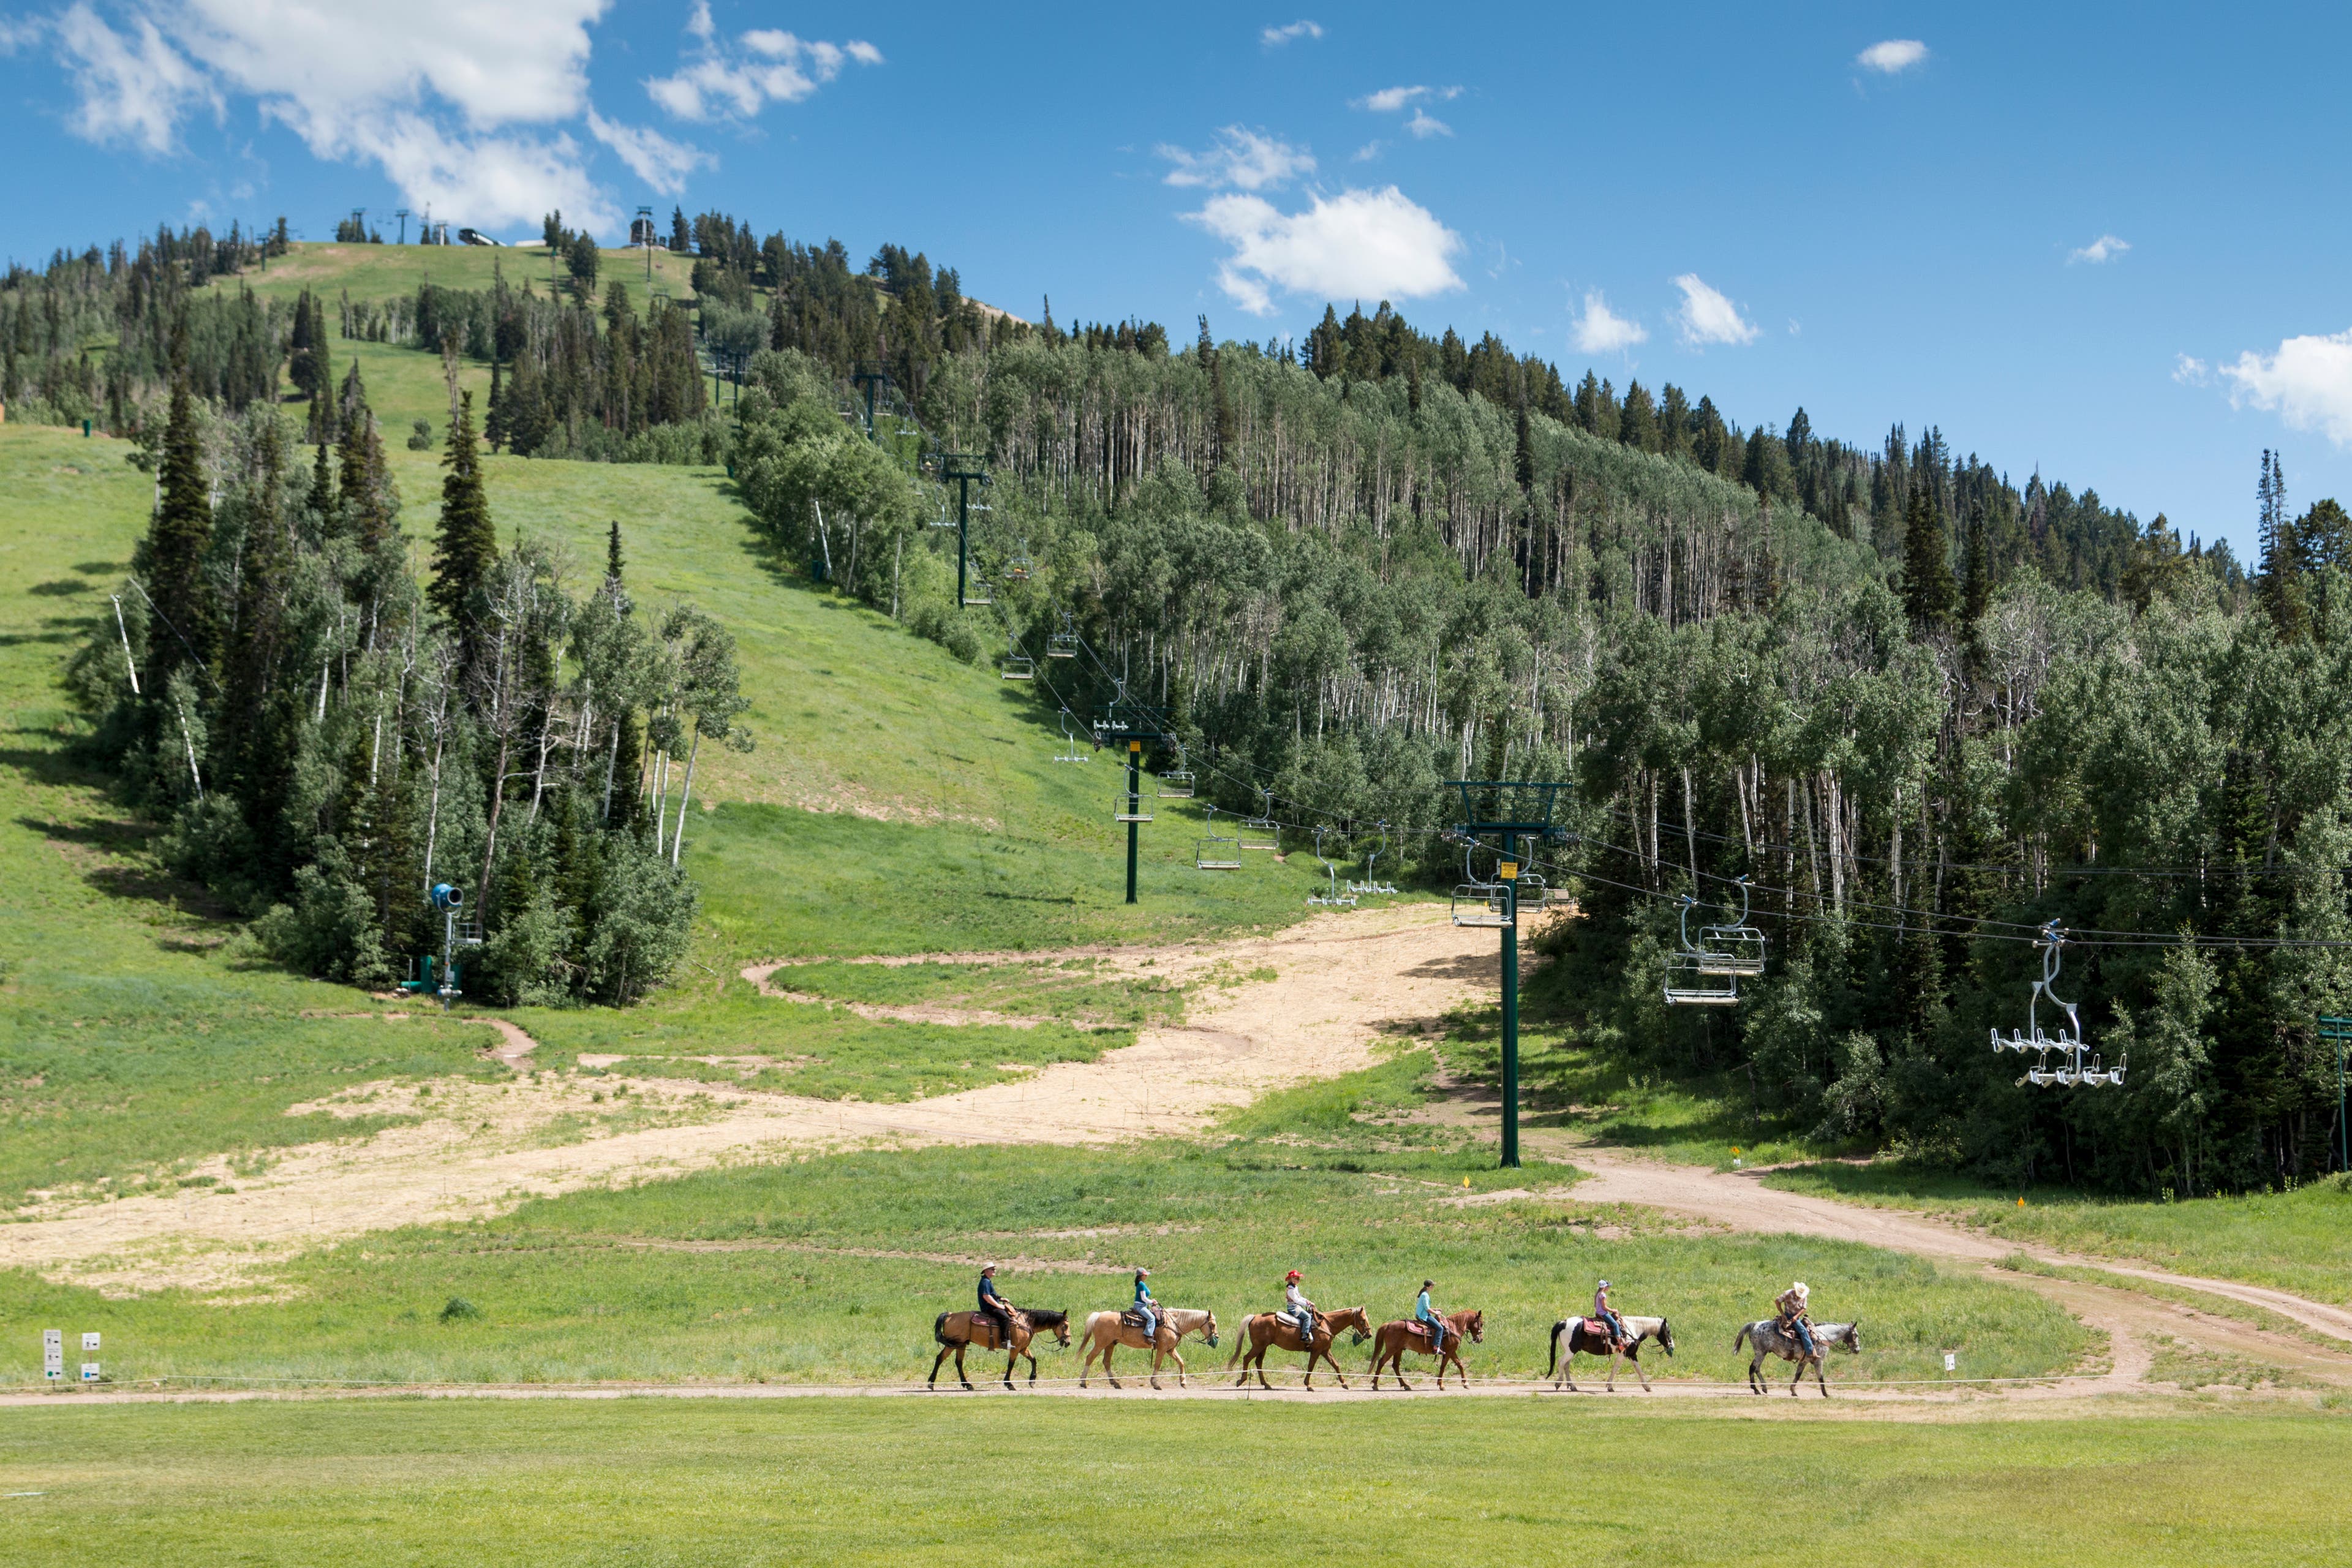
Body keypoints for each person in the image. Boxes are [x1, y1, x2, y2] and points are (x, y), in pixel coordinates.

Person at [977, 1264, 1016, 1348]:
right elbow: (986, 1296)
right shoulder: (985, 1282)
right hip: (989, 1308)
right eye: (993, 1269)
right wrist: (998, 1306)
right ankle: (1004, 1342)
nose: (995, 1270)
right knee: (1005, 1318)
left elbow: (993, 1295)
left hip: (991, 1306)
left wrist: (1002, 1299)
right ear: (986, 1271)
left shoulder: (987, 1281)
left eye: (995, 1269)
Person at [1776, 1280, 1815, 1360]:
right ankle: (1810, 1351)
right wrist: (1783, 1314)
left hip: (1797, 1316)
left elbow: (1804, 1308)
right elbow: (1777, 1301)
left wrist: (1797, 1316)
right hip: (1789, 1315)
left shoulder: (1804, 1296)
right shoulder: (1787, 1294)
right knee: (1803, 1331)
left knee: (1811, 1327)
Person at [1283, 1270, 1317, 1346]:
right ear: (1292, 1279)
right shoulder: (1291, 1290)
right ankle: (1304, 1335)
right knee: (1308, 1317)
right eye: (1297, 1279)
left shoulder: (1295, 1287)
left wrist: (1307, 1301)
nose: (1299, 1280)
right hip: (1293, 1308)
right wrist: (1307, 1305)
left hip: (1297, 1306)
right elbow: (1297, 1300)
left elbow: (1299, 1297)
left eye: (1299, 1279)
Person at [1594, 1279, 1629, 1348]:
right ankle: (1621, 1344)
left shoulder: (1598, 1294)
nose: (1608, 1288)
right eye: (1608, 1287)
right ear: (1605, 1287)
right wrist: (1613, 1310)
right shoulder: (1603, 1295)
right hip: (1603, 1313)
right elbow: (1604, 1307)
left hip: (1598, 1312)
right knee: (1616, 1325)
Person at [1415, 1280, 1447, 1354]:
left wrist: (1436, 1309)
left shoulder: (1425, 1294)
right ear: (1429, 1287)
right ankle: (1436, 1347)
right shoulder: (1425, 1295)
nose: (1433, 1287)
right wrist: (1436, 1313)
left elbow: (1427, 1307)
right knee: (1440, 1328)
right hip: (1423, 1316)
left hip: (1424, 1314)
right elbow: (1427, 1309)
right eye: (1432, 1285)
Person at [1130, 1267, 1159, 1346]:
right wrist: (1152, 1302)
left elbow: (1144, 1298)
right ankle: (1148, 1336)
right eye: (1145, 1275)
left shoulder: (1141, 1283)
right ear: (1141, 1276)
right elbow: (1143, 1298)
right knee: (1152, 1318)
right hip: (1140, 1306)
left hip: (1143, 1305)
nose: (1146, 1276)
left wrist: (1151, 1301)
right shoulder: (1141, 1284)